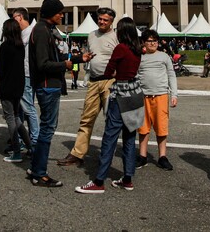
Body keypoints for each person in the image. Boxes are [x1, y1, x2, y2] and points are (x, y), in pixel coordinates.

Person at [75, 17, 143, 193]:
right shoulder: (137, 49)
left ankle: (99, 181)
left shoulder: (120, 48)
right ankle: (127, 177)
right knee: (129, 136)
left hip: (120, 91)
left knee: (110, 136)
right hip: (134, 92)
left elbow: (108, 70)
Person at [29, 0, 86, 187]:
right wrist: (65, 65)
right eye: (59, 12)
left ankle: (35, 167)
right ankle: (39, 173)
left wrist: (79, 58)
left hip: (49, 85)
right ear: (50, 13)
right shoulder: (41, 31)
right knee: (47, 129)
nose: (62, 15)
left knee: (46, 128)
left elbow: (57, 56)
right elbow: (43, 63)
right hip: (47, 86)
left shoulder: (45, 30)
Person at [57, 7, 117, 167]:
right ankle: (77, 154)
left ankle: (106, 154)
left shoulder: (116, 36)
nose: (102, 22)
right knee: (86, 118)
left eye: (106, 20)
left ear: (112, 21)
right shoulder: (91, 35)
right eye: (100, 19)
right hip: (94, 81)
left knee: (111, 119)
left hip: (111, 82)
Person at [135, 29, 178, 170]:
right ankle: (142, 156)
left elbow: (171, 75)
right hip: (143, 96)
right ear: (143, 42)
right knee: (143, 128)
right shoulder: (139, 57)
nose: (152, 43)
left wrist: (174, 95)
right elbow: (135, 75)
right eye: (149, 41)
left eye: (155, 41)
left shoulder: (164, 56)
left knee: (161, 127)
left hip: (161, 95)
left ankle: (162, 156)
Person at [0, 19, 32, 162]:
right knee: (17, 117)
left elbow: (1, 69)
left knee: (10, 118)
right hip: (19, 84)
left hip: (7, 85)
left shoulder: (5, 46)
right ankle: (30, 146)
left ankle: (16, 151)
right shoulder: (20, 46)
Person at [11, 8, 40, 149]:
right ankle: (24, 139)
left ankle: (34, 140)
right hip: (21, 74)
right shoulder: (22, 33)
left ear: (20, 17)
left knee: (28, 108)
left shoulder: (31, 32)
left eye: (14, 17)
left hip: (27, 74)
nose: (13, 20)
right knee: (21, 110)